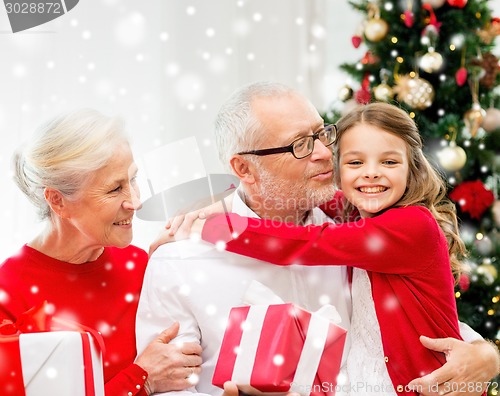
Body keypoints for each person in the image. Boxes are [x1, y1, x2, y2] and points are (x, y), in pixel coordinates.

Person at [138, 82, 499, 396]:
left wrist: (486, 354)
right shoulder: (180, 261)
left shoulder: (357, 223)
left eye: (322, 134)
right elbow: (168, 388)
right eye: (300, 145)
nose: (326, 154)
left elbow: (410, 317)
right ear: (244, 169)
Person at [0, 109, 202, 396]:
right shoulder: (8, 295)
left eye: (132, 180)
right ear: (58, 201)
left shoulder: (139, 264)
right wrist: (140, 379)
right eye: (114, 189)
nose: (135, 202)